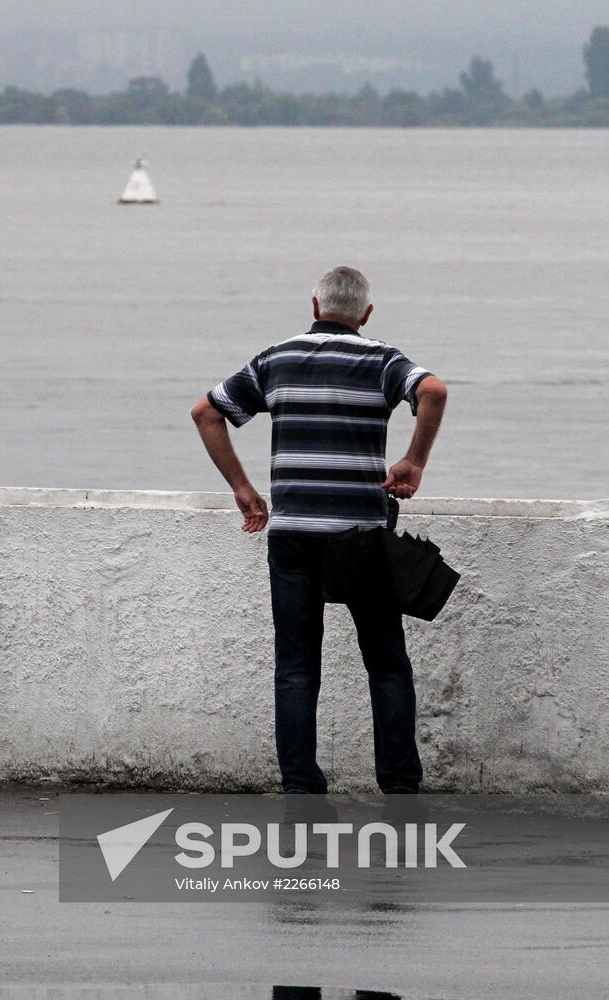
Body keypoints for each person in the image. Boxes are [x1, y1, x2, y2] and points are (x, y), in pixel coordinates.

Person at [191, 266, 447, 797]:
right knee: (386, 663)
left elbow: (206, 413)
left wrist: (242, 487)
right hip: (361, 537)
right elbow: (434, 391)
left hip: (293, 534)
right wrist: (414, 461)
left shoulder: (275, 358)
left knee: (296, 664)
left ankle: (301, 783)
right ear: (366, 314)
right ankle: (399, 782)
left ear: (314, 305)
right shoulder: (381, 359)